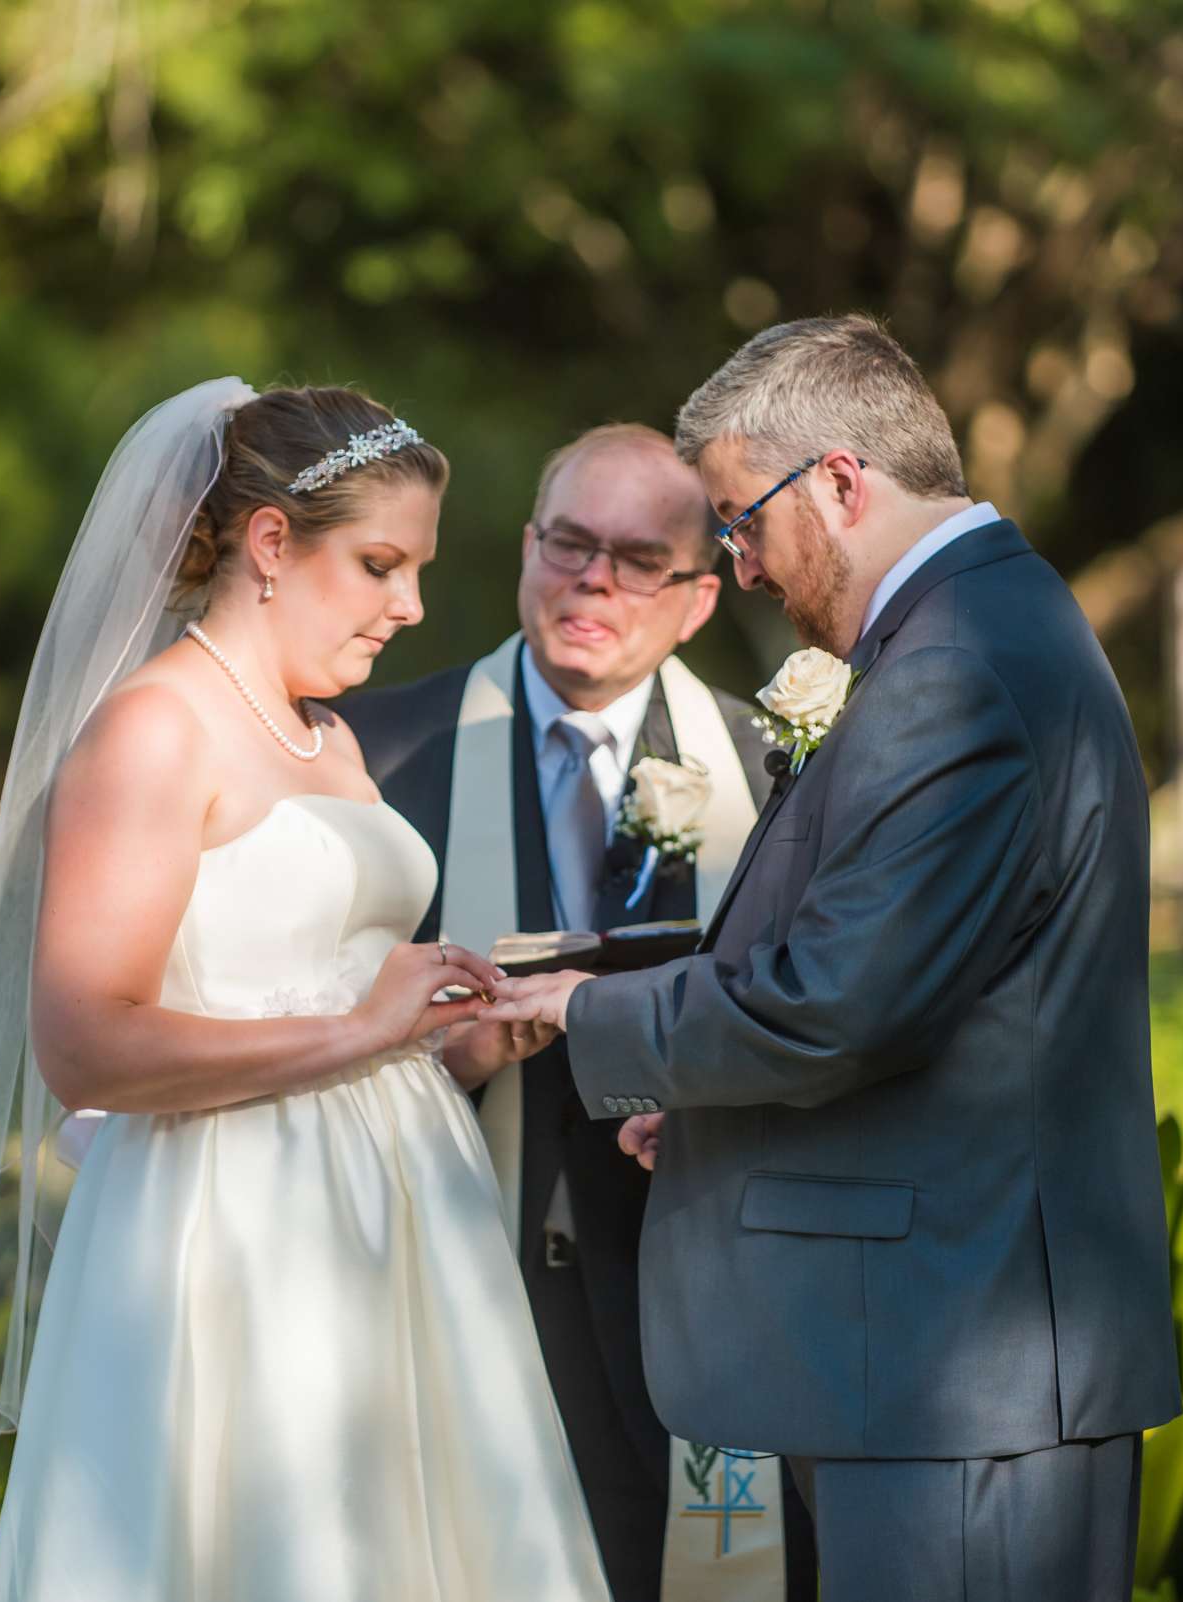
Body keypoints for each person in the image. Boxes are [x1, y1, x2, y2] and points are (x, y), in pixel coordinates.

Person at [487, 317, 1182, 1602]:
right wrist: (704, 1105)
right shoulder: (978, 630)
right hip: (939, 1358)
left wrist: (593, 1016)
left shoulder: (958, 666)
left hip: (954, 1376)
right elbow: (931, 1003)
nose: (742, 567)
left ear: (843, 483)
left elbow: (839, 1002)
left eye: (743, 521)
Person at [0, 379, 609, 1601]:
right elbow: (87, 1045)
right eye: (382, 564)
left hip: (404, 1215)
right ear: (272, 543)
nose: (412, 605)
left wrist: (450, 1041)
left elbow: (329, 1001)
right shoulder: (153, 733)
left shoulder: (324, 735)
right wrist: (358, 1029)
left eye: (418, 569)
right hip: (232, 1231)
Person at [341, 424, 813, 1602]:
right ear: (523, 550)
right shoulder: (378, 754)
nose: (593, 579)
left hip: (690, 1265)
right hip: (456, 1263)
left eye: (641, 558)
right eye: (569, 543)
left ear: (701, 599)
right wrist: (443, 1050)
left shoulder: (776, 771)